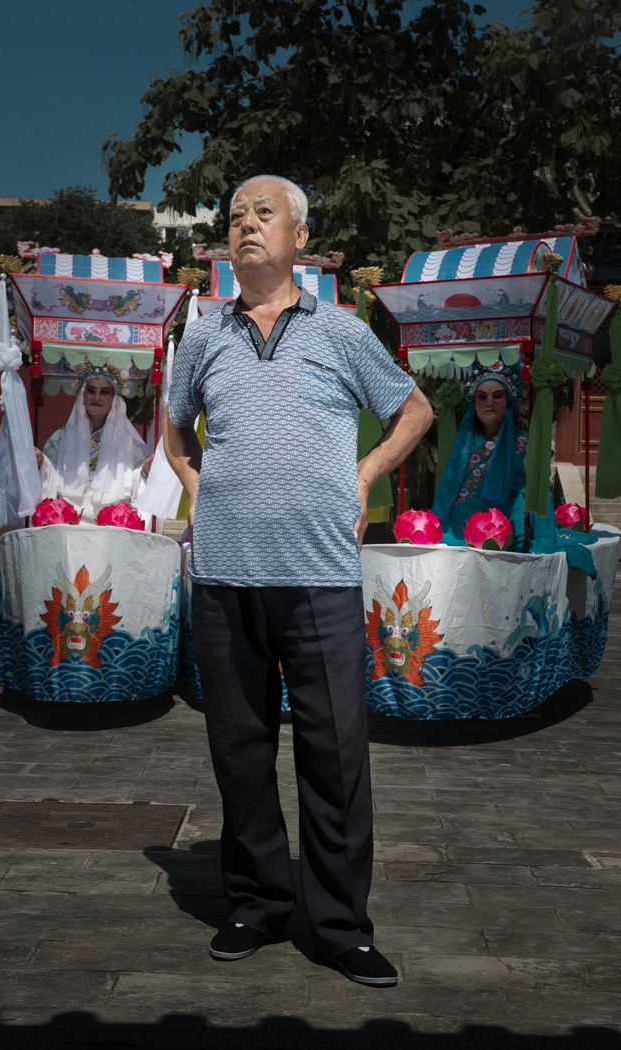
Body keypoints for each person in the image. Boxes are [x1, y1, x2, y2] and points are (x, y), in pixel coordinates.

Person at [163, 175, 432, 986]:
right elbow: (175, 429)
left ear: (300, 238)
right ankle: (255, 902)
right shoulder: (205, 334)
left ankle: (341, 924)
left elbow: (413, 410)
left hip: (319, 577)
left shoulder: (342, 331)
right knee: (239, 750)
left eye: (262, 214)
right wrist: (195, 481)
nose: (245, 225)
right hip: (223, 578)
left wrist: (365, 474)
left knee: (335, 753)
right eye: (235, 216)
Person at [432, 362, 557, 550]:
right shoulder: (463, 445)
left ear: (508, 401)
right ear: (474, 404)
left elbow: (537, 490)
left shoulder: (525, 443)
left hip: (506, 530)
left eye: (497, 396)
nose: (489, 402)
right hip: (457, 530)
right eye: (482, 397)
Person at [35, 359, 153, 524]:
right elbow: (52, 476)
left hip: (111, 523)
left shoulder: (128, 444)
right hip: (68, 520)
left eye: (104, 392)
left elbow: (135, 479)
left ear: (113, 399)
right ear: (82, 395)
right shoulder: (60, 438)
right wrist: (42, 463)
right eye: (91, 390)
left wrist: (144, 472)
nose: (97, 397)